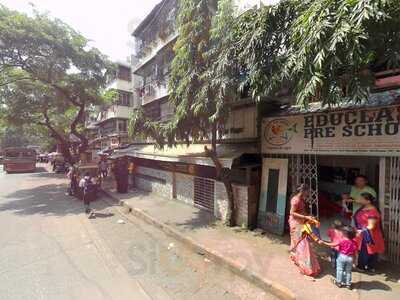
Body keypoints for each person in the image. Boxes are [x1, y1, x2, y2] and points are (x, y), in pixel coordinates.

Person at [289, 184, 321, 277]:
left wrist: (308, 217)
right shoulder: (296, 200)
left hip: (301, 222)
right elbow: (292, 213)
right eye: (308, 191)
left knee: (300, 242)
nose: (309, 193)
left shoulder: (302, 199)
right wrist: (305, 217)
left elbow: (301, 211)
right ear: (303, 191)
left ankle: (298, 259)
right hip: (296, 223)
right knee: (303, 243)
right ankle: (306, 267)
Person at [353, 192, 385, 273]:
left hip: (369, 235)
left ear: (368, 201)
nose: (359, 199)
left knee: (367, 251)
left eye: (361, 198)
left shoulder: (373, 212)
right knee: (364, 251)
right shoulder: (363, 208)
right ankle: (368, 266)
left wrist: (361, 230)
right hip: (362, 233)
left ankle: (365, 267)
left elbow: (371, 226)